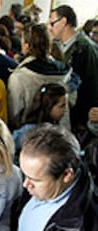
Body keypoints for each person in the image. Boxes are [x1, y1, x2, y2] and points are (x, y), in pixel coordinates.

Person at [7, 24, 73, 130]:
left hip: (28, 136)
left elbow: (14, 114)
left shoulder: (19, 77)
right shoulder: (64, 74)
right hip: (60, 133)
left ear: (26, 46)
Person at [48, 5, 98, 134]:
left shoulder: (83, 48)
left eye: (52, 23)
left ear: (63, 21)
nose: (50, 27)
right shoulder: (64, 46)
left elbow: (89, 88)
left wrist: (82, 120)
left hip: (79, 119)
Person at [12, 83, 67, 158]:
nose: (66, 110)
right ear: (48, 106)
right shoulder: (28, 131)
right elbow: (11, 148)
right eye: (62, 106)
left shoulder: (56, 128)